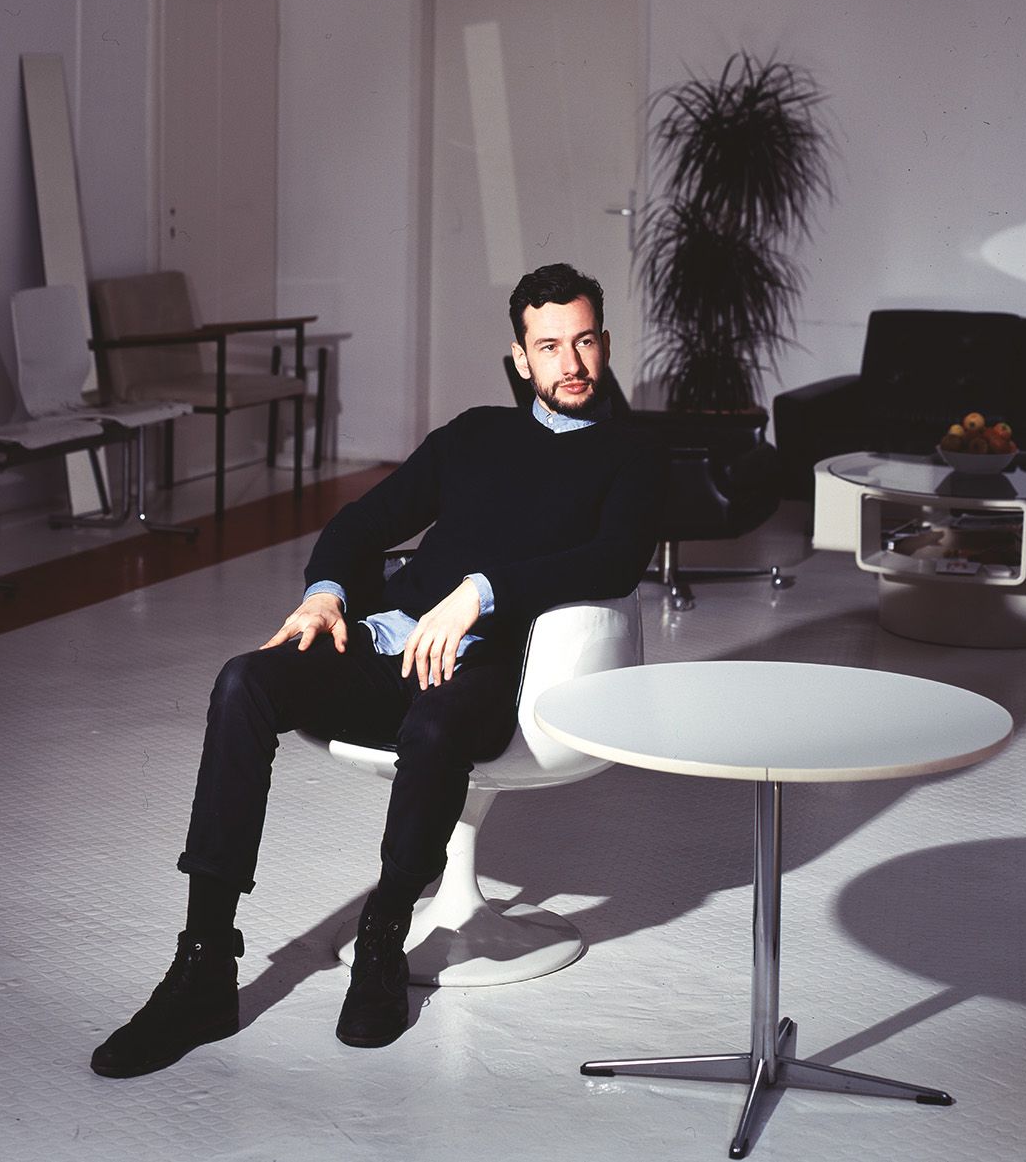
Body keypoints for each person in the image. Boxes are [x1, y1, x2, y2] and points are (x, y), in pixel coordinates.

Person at [91, 262, 663, 1077]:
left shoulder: (631, 454)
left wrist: (482, 593)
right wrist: (325, 593)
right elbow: (364, 521)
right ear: (520, 355)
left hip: (490, 665)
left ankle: (383, 937)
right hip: (387, 643)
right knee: (244, 681)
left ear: (604, 342)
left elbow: (614, 559)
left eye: (583, 342)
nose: (570, 363)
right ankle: (204, 964)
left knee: (433, 727)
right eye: (549, 346)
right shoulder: (474, 433)